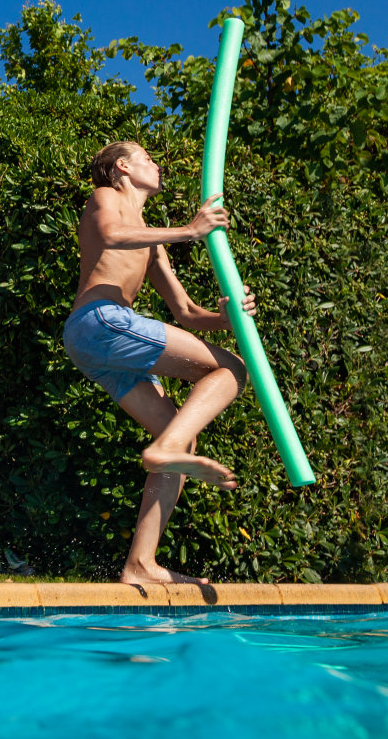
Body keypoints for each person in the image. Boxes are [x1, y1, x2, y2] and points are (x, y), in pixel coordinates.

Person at [65, 141, 256, 585]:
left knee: (179, 443)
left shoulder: (150, 238)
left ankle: (140, 565)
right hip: (101, 321)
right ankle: (165, 451)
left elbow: (186, 312)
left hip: (101, 341)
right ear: (122, 167)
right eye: (147, 157)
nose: (157, 163)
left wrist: (226, 318)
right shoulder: (106, 197)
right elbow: (111, 235)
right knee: (230, 370)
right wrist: (191, 230)